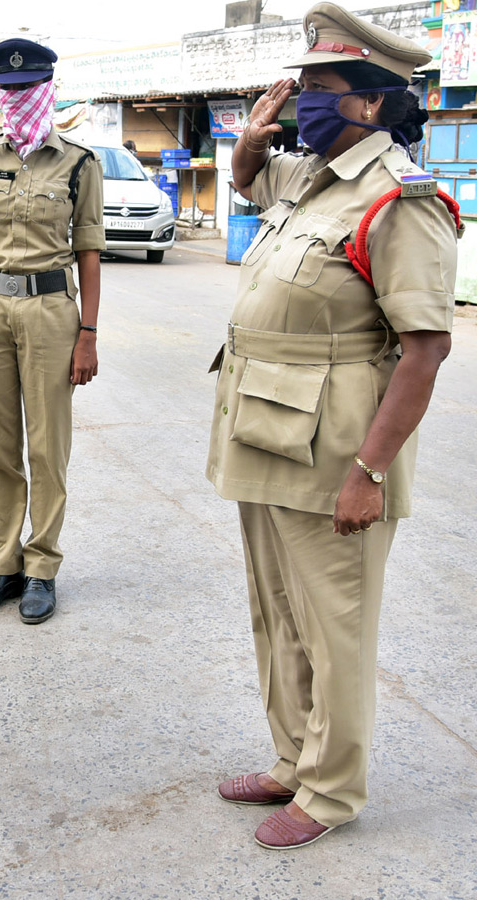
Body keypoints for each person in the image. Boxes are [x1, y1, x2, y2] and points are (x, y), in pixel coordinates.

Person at [208, 2, 456, 850]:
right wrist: (254, 133)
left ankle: (330, 791)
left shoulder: (400, 199)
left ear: (373, 103)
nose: (303, 99)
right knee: (277, 611)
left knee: (333, 624)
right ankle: (290, 759)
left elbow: (424, 350)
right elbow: (246, 178)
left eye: (320, 85)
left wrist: (371, 470)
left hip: (334, 450)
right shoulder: (313, 175)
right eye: (301, 83)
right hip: (265, 433)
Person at [0, 38, 104, 625]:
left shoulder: (79, 164)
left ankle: (41, 568)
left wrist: (88, 333)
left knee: (47, 448)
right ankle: (1, 565)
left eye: (27, 88)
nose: (16, 98)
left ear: (47, 89)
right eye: (7, 89)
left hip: (50, 313)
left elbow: (89, 252)